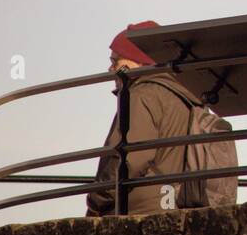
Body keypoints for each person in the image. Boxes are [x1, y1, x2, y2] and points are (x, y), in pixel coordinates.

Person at [86, 21, 207, 216]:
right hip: (173, 205)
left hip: (137, 209)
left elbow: (125, 160)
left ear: (139, 61)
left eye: (115, 60)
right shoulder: (186, 97)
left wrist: (96, 202)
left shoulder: (142, 95)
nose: (110, 69)